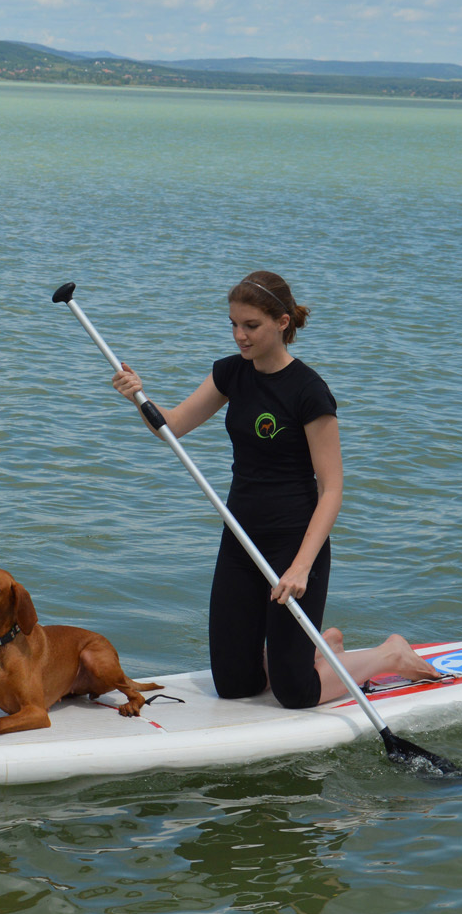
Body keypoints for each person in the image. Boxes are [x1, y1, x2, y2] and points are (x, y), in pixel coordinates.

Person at [112, 271, 439, 708]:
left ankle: (388, 653)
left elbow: (333, 489)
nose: (239, 336)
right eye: (232, 324)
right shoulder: (231, 373)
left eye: (251, 325)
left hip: (294, 544)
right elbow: (172, 426)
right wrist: (138, 396)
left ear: (282, 322)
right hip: (241, 538)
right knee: (233, 684)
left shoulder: (308, 391)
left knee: (295, 694)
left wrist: (302, 566)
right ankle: (321, 648)